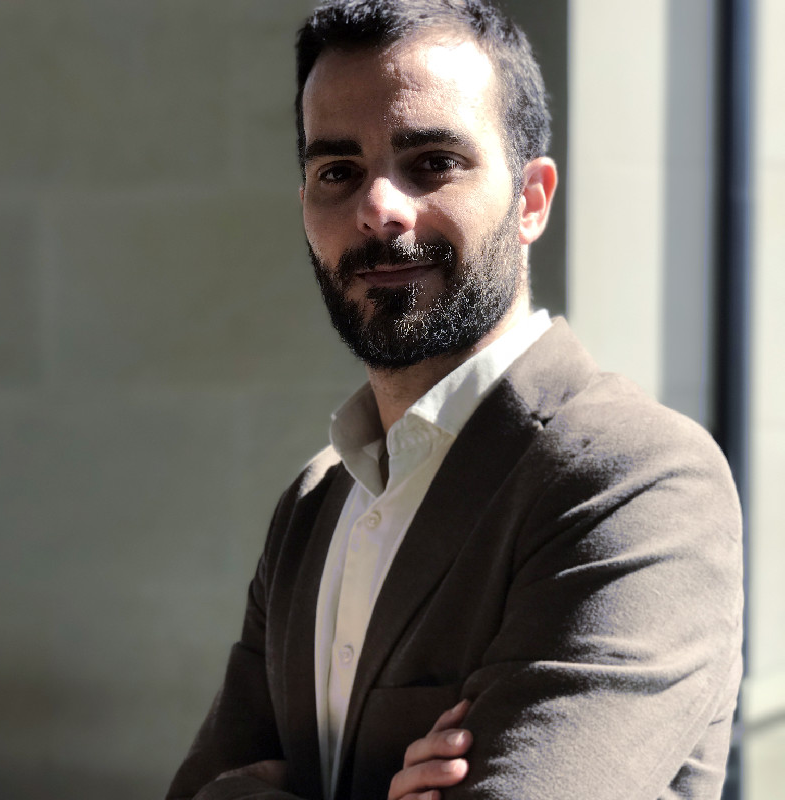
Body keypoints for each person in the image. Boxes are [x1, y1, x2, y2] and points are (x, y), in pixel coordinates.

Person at [166, 1, 743, 798]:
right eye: (338, 172)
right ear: (305, 208)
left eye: (433, 161)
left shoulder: (638, 481)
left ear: (531, 200)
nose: (379, 207)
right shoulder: (314, 505)